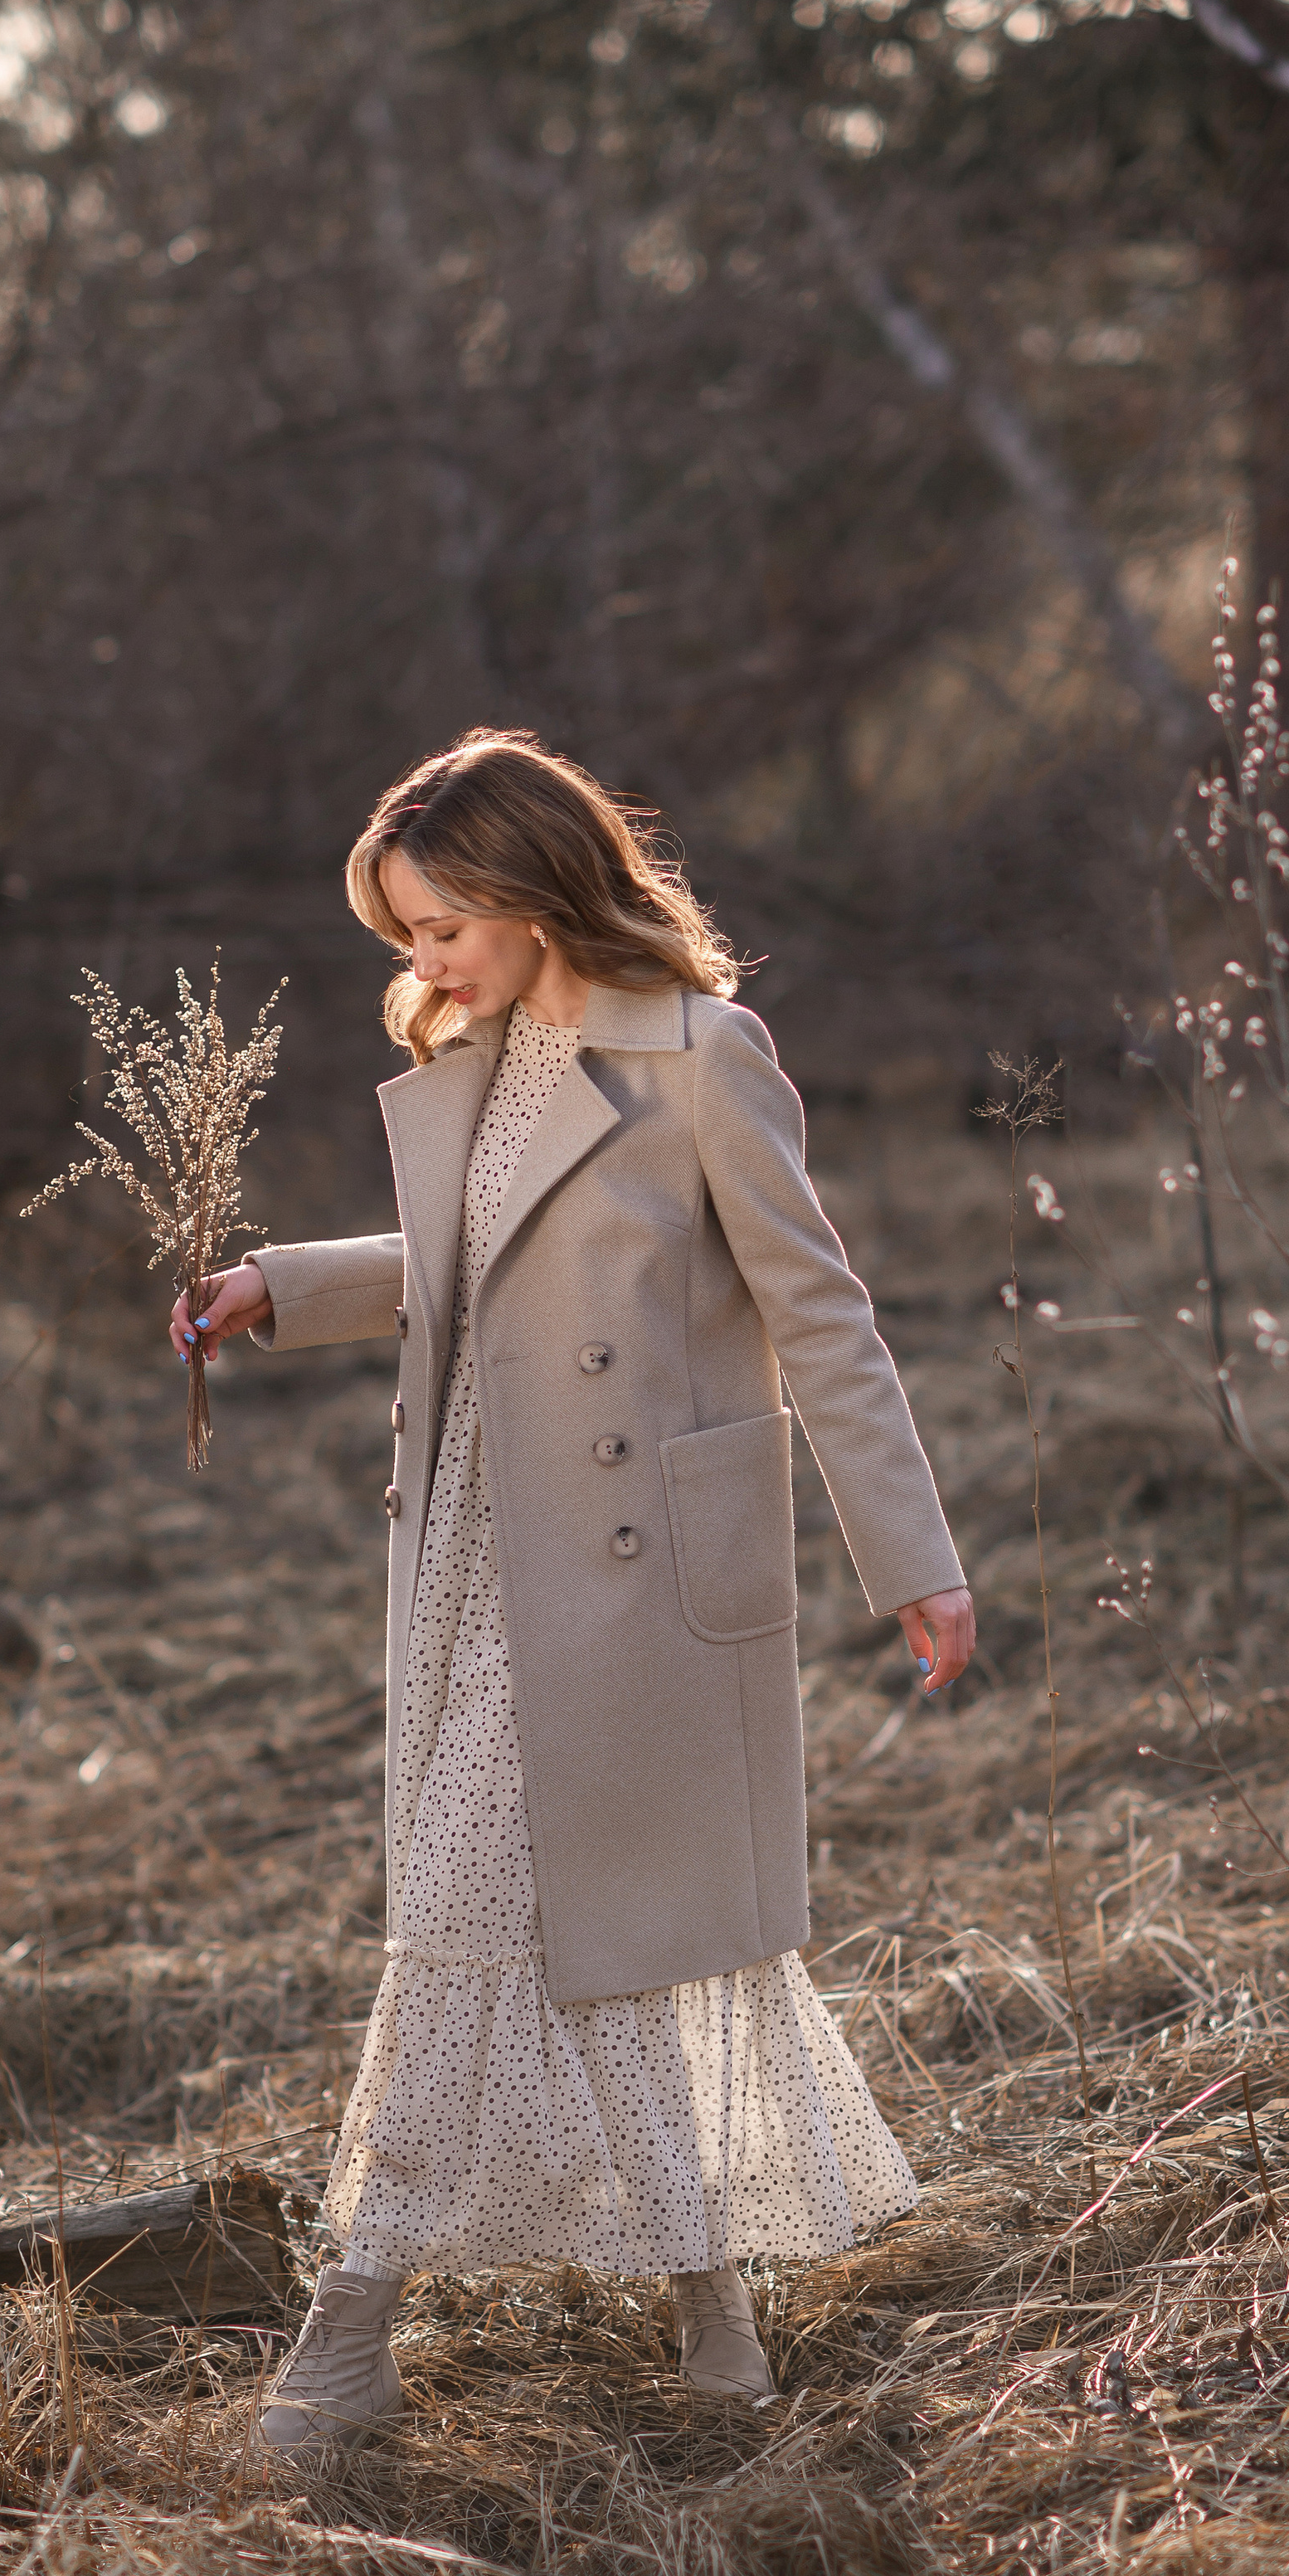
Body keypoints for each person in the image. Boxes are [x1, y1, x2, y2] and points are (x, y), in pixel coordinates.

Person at [172, 730, 973, 2450]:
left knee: (494, 1909)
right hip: (474, 1538)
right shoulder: (481, 1057)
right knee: (558, 1928)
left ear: (536, 884)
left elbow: (819, 1310)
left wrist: (907, 1553)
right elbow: (473, 1267)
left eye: (442, 921)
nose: (422, 962)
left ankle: (348, 2323)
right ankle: (710, 2303)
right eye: (402, 937)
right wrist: (278, 1283)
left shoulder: (700, 1057)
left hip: (628, 1570)